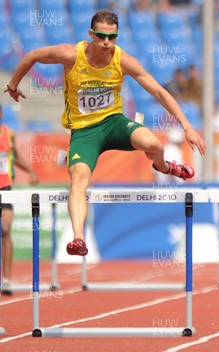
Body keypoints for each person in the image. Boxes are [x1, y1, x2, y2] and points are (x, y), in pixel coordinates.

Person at [4, 10, 206, 256]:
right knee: (78, 179)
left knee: (153, 144)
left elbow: (159, 92)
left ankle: (164, 167)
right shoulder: (70, 55)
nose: (107, 42)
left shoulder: (122, 60)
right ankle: (78, 238)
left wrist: (187, 128)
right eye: (101, 36)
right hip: (84, 131)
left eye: (112, 37)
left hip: (114, 123)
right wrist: (13, 85)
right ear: (91, 34)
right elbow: (33, 55)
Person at [0, 104, 39, 295]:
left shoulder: (9, 134)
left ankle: (6, 280)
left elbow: (14, 157)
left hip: (5, 187)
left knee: (6, 231)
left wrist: (30, 171)